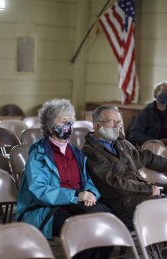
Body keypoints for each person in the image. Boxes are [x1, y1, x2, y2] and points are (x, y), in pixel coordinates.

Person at [82, 105, 167, 259]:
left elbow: (144, 156)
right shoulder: (90, 152)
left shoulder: (120, 144)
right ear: (97, 126)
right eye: (112, 122)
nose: (117, 126)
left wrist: (166, 163)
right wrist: (147, 188)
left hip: (141, 198)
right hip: (123, 203)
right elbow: (113, 183)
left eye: (119, 122)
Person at [16, 99, 112, 259]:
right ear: (49, 125)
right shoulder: (39, 154)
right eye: (63, 121)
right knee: (83, 231)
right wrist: (76, 196)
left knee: (108, 224)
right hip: (45, 209)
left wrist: (91, 193)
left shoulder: (76, 152)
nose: (68, 125)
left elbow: (88, 181)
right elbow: (39, 190)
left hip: (77, 204)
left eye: (70, 121)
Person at [128, 81, 167, 146]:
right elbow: (134, 134)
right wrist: (155, 141)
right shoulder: (147, 112)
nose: (166, 94)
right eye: (163, 90)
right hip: (152, 147)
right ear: (156, 92)